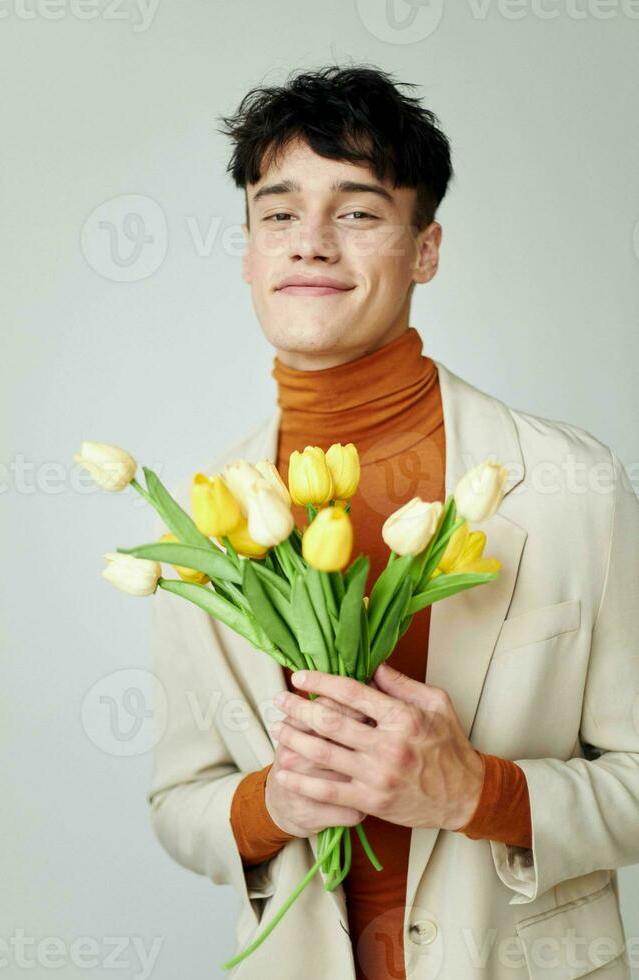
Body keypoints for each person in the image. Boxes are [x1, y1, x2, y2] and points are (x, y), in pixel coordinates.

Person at [147, 64, 639, 980]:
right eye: (279, 214)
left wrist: (478, 792)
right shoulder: (205, 517)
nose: (312, 244)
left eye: (360, 212)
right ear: (250, 250)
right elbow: (181, 801)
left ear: (427, 249)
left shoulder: (575, 487)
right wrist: (277, 806)